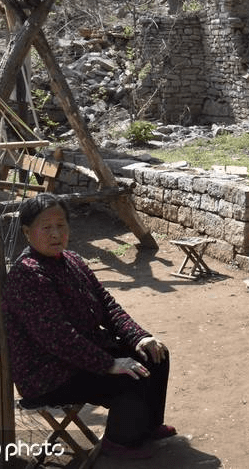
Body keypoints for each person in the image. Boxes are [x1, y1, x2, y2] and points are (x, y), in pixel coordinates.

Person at [1, 193, 174, 460]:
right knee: (130, 377)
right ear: (27, 232)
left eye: (61, 225)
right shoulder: (28, 274)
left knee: (154, 354)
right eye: (46, 227)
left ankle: (148, 424)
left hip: (82, 353)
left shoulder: (71, 260)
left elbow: (107, 304)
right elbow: (59, 338)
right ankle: (119, 441)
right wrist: (110, 364)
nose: (55, 233)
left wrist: (139, 337)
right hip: (48, 372)